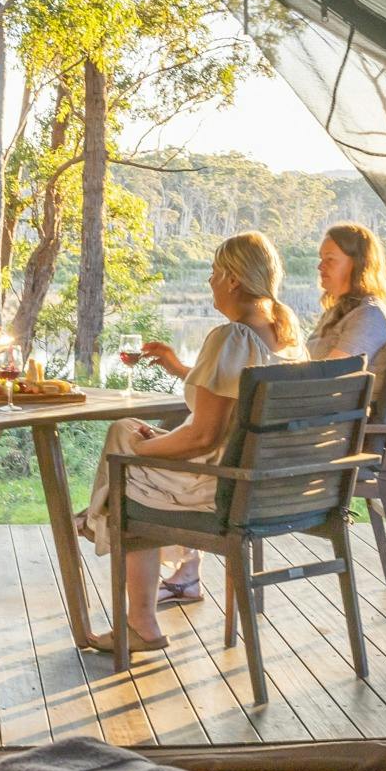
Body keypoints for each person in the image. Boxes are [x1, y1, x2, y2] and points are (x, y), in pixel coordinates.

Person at [75, 232, 306, 651]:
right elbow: (227, 408)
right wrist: (182, 370)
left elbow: (202, 437)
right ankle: (97, 514)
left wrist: (139, 452)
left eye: (214, 273)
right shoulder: (286, 338)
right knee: (127, 434)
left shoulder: (231, 337)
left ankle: (133, 602)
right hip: (267, 485)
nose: (210, 283)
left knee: (123, 455)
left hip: (219, 488)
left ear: (233, 279)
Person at [306, 222, 386, 365]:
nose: (320, 266)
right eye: (321, 258)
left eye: (330, 259)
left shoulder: (369, 315)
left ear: (357, 264)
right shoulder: (337, 312)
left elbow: (332, 375)